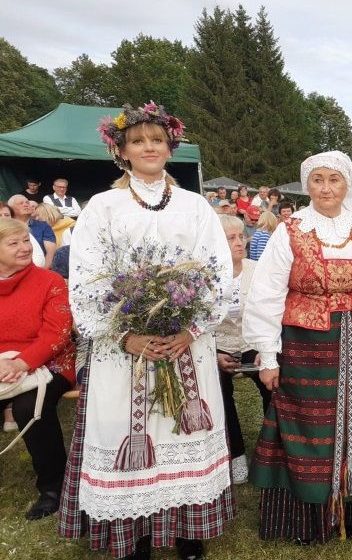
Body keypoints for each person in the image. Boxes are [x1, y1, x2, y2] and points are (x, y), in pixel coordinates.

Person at [60, 102, 234, 560]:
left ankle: (187, 531)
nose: (149, 147)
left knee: (183, 434)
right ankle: (132, 534)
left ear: (169, 146)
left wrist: (192, 328)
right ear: (121, 150)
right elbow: (86, 278)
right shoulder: (103, 206)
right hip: (125, 348)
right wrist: (124, 336)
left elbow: (217, 273)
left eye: (156, 139)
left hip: (185, 344)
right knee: (128, 434)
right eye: (138, 141)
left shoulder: (195, 206)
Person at [243, 151, 352, 542]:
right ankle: (309, 518)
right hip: (306, 343)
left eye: (334, 179)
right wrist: (268, 354)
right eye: (318, 180)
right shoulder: (290, 230)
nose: (326, 188)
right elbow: (266, 293)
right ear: (307, 186)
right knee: (309, 424)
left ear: (347, 184)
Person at [0, 218, 75, 519]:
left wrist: (22, 362)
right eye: (13, 243)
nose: (23, 248)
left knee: (30, 407)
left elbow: (57, 333)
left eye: (25, 241)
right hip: (3, 365)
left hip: (50, 362)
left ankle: (53, 486)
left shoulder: (50, 281)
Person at [214, 215, 271, 485]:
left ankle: (271, 450)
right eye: (231, 238)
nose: (240, 242)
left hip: (252, 343)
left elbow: (270, 313)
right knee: (218, 391)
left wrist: (265, 349)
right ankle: (235, 453)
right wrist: (213, 354)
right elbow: (198, 323)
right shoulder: (206, 275)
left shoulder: (258, 269)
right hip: (218, 346)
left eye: (241, 236)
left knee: (272, 383)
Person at [7, 194, 55, 268]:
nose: (26, 205)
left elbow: (50, 252)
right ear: (11, 209)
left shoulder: (43, 226)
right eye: (21, 203)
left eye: (27, 202)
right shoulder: (7, 228)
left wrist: (43, 271)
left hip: (40, 269)